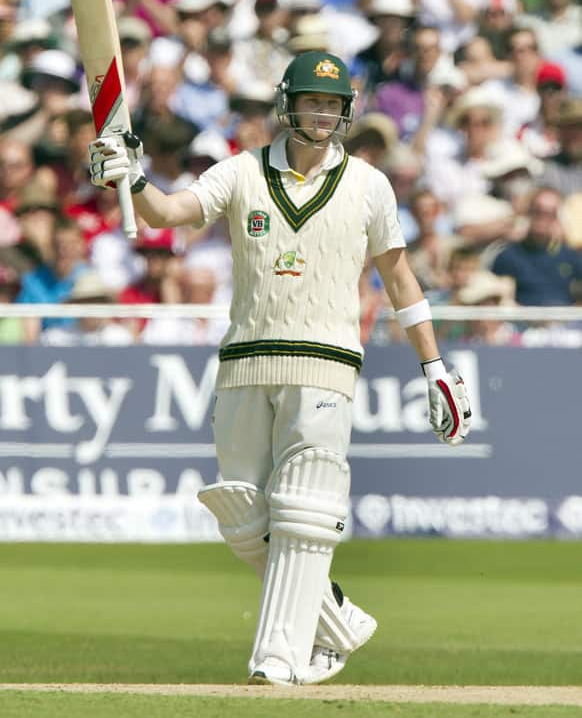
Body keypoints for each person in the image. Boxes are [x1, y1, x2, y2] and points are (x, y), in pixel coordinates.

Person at [88, 50, 472, 686]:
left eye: (333, 104)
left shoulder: (370, 185)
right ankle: (339, 623)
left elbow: (399, 279)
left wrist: (434, 365)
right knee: (243, 511)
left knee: (304, 509)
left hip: (326, 362)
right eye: (311, 102)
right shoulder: (240, 173)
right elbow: (169, 213)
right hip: (244, 360)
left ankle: (277, 661)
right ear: (286, 103)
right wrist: (129, 179)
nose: (322, 115)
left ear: (345, 111)